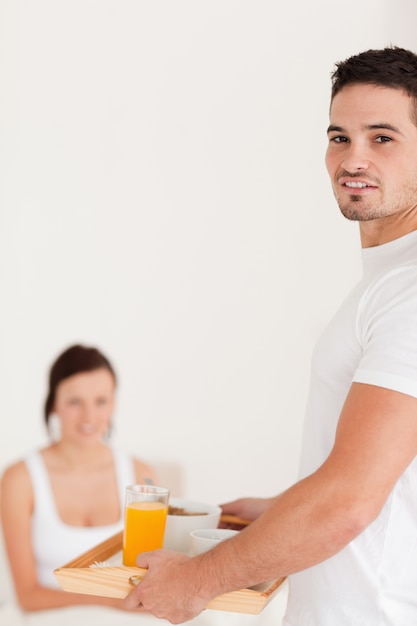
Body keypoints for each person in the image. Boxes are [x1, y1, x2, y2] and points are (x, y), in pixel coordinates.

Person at [122, 46, 417, 625]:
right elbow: (377, 471)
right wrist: (280, 510)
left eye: (382, 138)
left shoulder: (409, 292)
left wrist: (198, 580)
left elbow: (350, 501)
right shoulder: (385, 281)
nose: (353, 158)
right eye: (339, 137)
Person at [0, 343, 157, 612]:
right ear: (53, 405)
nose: (89, 416)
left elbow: (153, 576)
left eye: (101, 401)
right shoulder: (19, 480)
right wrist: (111, 602)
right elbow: (28, 597)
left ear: (113, 404)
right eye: (74, 401)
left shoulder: (142, 476)